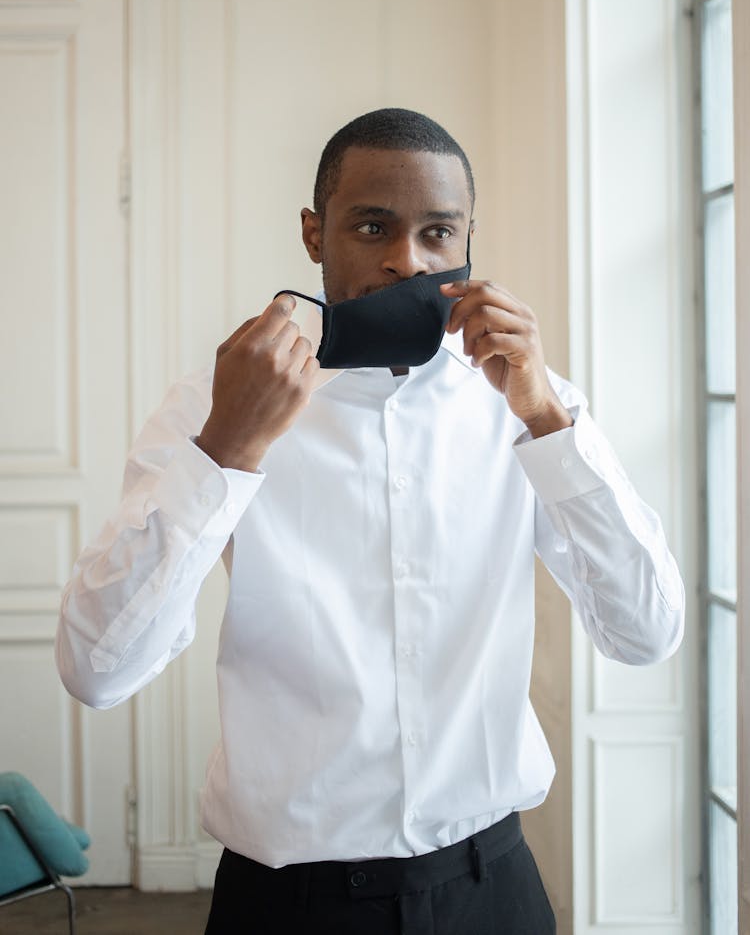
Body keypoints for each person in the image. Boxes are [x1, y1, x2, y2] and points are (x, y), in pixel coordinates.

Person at [56, 108, 685, 935]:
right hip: (290, 905)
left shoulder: (527, 400)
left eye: (438, 232)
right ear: (315, 235)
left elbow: (647, 632)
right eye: (372, 226)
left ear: (467, 242)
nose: (406, 259)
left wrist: (550, 425)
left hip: (492, 889)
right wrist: (224, 452)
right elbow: (97, 670)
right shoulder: (219, 401)